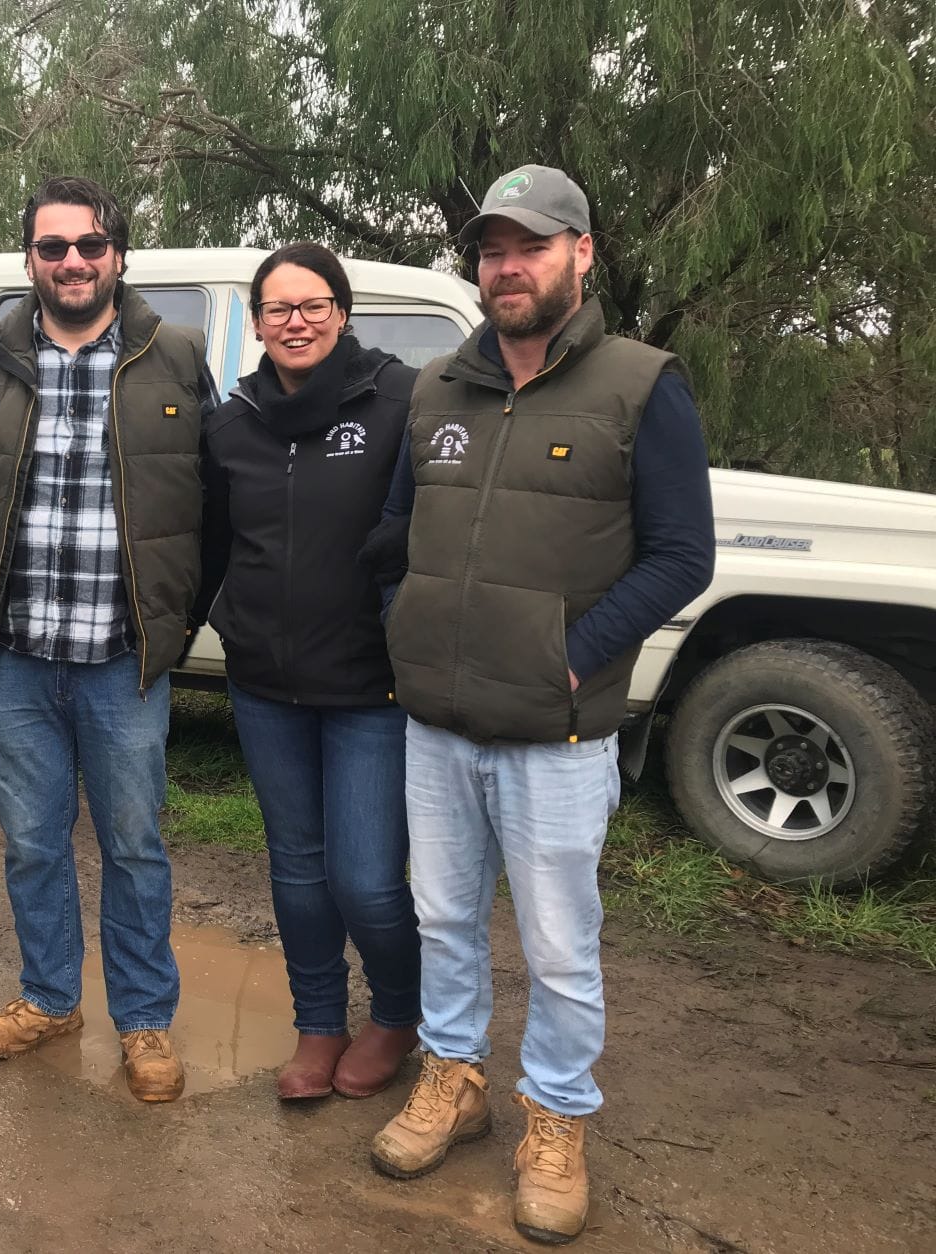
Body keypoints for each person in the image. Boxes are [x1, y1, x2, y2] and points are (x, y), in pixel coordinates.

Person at [367, 166, 715, 1244]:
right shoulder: (436, 391)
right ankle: (454, 1081)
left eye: (529, 246)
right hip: (437, 722)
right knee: (442, 919)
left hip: (557, 733)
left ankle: (556, 1121)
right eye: (489, 250)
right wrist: (405, 625)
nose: (505, 267)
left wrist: (575, 656)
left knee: (561, 945)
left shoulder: (639, 384)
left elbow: (679, 556)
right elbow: (394, 537)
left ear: (582, 254)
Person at [0, 175, 218, 1102]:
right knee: (33, 845)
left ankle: (144, 1023)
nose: (72, 262)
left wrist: (177, 622)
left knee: (134, 847)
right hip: (15, 662)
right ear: (30, 260)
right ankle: (50, 999)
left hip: (122, 665)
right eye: (53, 248)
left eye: (89, 245)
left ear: (118, 255)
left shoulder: (173, 358)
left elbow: (213, 505)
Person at [196, 243, 421, 1102]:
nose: (296, 322)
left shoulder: (400, 401)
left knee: (365, 879)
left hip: (371, 688)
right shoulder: (234, 420)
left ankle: (399, 1013)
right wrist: (202, 626)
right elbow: (215, 545)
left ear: (342, 311)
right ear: (256, 323)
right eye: (279, 309)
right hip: (265, 687)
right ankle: (319, 1023)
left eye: (313, 305)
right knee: (295, 868)